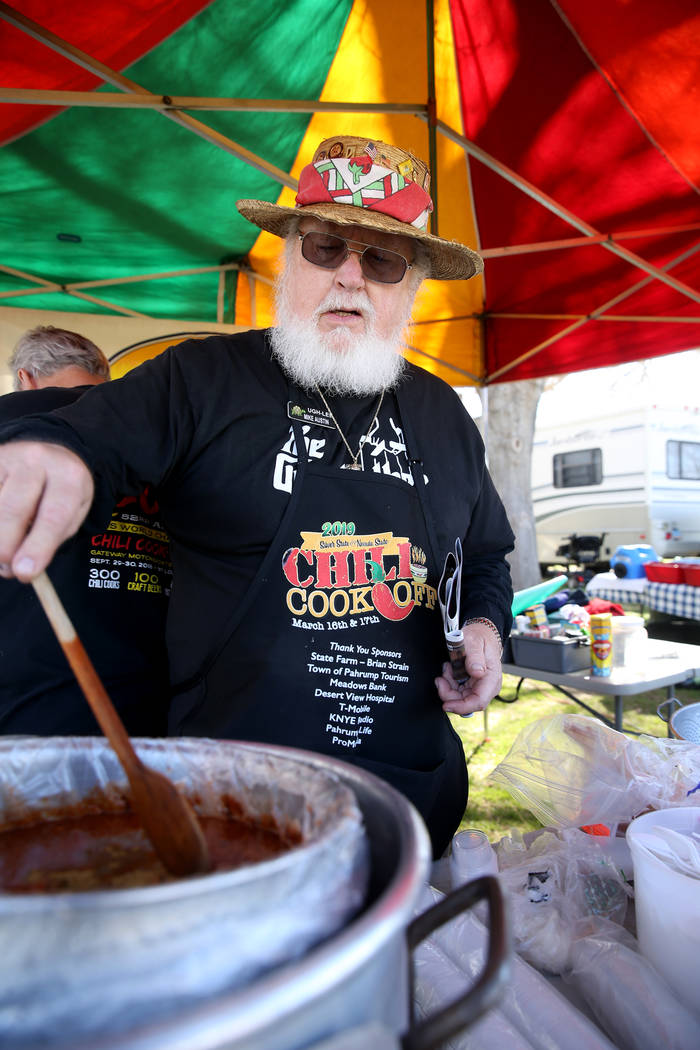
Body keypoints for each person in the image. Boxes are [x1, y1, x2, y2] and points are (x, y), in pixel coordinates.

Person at [0, 136, 514, 856]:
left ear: (413, 287)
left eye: (384, 260)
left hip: (412, 796)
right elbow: (95, 435)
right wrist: (51, 456)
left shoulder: (445, 418)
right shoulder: (201, 381)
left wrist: (487, 631)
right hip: (235, 802)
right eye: (326, 247)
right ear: (288, 258)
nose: (350, 278)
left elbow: (486, 554)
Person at [0, 325, 172, 736]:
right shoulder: (155, 429)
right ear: (104, 374)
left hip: (18, 706)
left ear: (25, 377)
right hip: (151, 704)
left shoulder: (9, 425)